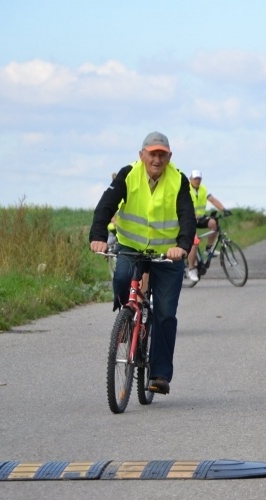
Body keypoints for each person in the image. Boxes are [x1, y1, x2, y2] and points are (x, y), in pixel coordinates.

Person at [89, 131, 196, 395]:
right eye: (152, 154)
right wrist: (98, 237)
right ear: (142, 155)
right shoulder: (128, 174)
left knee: (164, 312)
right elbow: (105, 207)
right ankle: (127, 318)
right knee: (123, 277)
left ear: (169, 157)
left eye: (162, 154)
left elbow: (187, 217)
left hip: (167, 254)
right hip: (131, 246)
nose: (157, 159)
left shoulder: (179, 180)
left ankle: (159, 373)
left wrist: (182, 247)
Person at [186, 169, 231, 282]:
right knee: (195, 242)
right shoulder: (185, 189)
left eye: (199, 179)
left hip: (199, 218)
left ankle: (208, 248)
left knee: (214, 223)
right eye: (195, 178)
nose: (197, 181)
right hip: (188, 219)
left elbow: (213, 200)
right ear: (190, 179)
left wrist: (223, 209)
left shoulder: (203, 189)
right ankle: (191, 269)